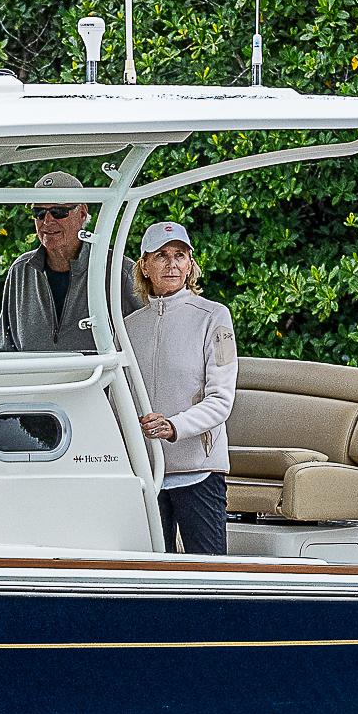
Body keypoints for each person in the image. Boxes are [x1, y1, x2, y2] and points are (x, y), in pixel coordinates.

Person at [120, 221, 237, 554]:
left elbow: (221, 399)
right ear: (144, 265)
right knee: (147, 583)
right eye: (161, 256)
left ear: (190, 265)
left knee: (212, 579)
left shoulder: (216, 317)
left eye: (180, 255)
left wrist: (174, 426)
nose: (171, 264)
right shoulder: (127, 327)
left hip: (198, 470)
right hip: (145, 474)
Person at [0, 173, 111, 354]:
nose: (47, 221)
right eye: (39, 213)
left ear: (83, 213)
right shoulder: (20, 271)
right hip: (34, 383)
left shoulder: (116, 270)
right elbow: (3, 349)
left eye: (58, 212)